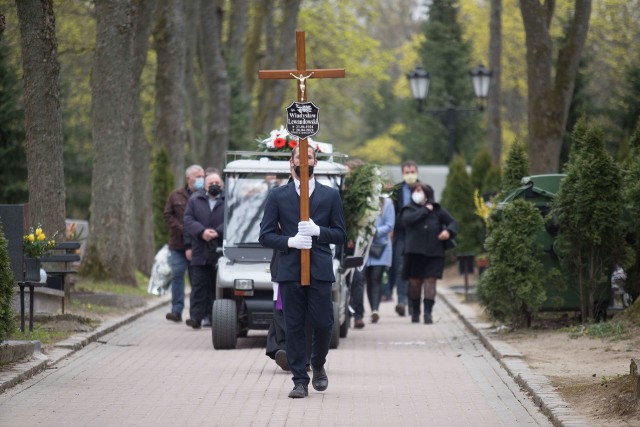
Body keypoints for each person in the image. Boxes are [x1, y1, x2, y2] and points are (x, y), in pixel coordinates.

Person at [259, 145, 347, 399]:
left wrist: (319, 232)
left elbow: (341, 235)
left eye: (308, 157)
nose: (304, 161)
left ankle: (318, 363)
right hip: (290, 270)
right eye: (300, 157)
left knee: (323, 324)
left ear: (316, 163)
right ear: (291, 162)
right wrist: (290, 241)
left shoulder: (330, 196)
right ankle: (300, 380)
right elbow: (265, 235)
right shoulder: (278, 196)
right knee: (293, 326)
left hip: (319, 270)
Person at [399, 183, 458, 324]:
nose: (417, 193)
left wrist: (448, 231)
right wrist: (425, 210)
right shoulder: (408, 209)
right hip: (414, 253)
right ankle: (415, 310)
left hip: (434, 252)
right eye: (415, 191)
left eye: (420, 191)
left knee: (430, 281)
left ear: (427, 194)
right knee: (415, 283)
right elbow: (407, 221)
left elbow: (453, 223)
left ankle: (428, 312)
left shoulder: (438, 210)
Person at [183, 171, 224, 329]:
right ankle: (195, 317)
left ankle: (215, 318)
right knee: (199, 285)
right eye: (210, 183)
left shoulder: (227, 200)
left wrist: (217, 232)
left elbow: (232, 217)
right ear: (205, 186)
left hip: (219, 248)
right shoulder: (195, 199)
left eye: (217, 183)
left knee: (216, 286)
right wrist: (202, 231)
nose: (214, 186)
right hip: (200, 248)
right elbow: (188, 219)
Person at [163, 165, 204, 322]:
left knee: (197, 280)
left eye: (202, 176)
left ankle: (197, 313)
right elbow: (167, 215)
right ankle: (177, 310)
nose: (201, 179)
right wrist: (182, 228)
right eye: (198, 176)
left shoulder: (204, 195)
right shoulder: (175, 195)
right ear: (189, 178)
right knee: (178, 275)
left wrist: (195, 230)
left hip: (198, 245)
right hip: (178, 245)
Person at [388, 160, 421, 316]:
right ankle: (401, 301)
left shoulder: (424, 189)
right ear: (403, 174)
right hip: (401, 234)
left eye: (412, 172)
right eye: (407, 172)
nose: (410, 175)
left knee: (416, 269)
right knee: (401, 267)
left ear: (417, 172)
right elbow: (392, 212)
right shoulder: (397, 190)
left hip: (419, 236)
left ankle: (414, 303)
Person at [365, 195, 395, 323]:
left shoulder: (387, 203)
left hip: (381, 246)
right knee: (368, 279)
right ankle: (373, 308)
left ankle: (375, 310)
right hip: (366, 247)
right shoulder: (365, 199)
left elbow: (390, 225)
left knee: (376, 277)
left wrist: (374, 232)